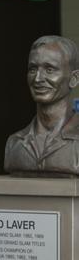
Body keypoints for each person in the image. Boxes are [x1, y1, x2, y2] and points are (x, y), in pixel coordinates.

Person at [5, 36, 79, 176]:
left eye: (49, 70)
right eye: (33, 69)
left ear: (74, 79)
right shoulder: (15, 143)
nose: (38, 78)